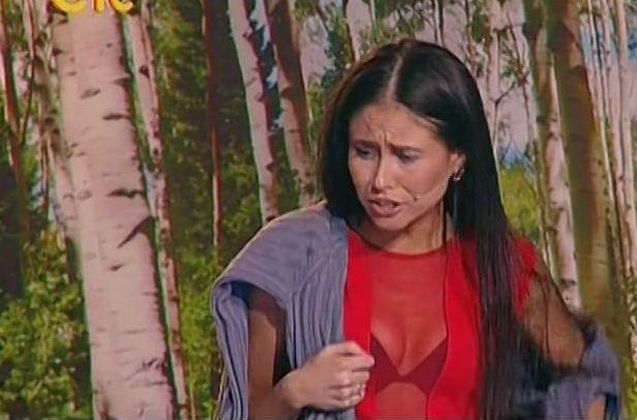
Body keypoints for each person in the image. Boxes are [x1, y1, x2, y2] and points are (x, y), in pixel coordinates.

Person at [211, 39, 620, 419]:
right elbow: (246, 412)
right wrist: (295, 390)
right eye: (364, 152)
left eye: (406, 156)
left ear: (458, 159)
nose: (380, 180)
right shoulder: (291, 258)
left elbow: (588, 380)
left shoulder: (502, 265)